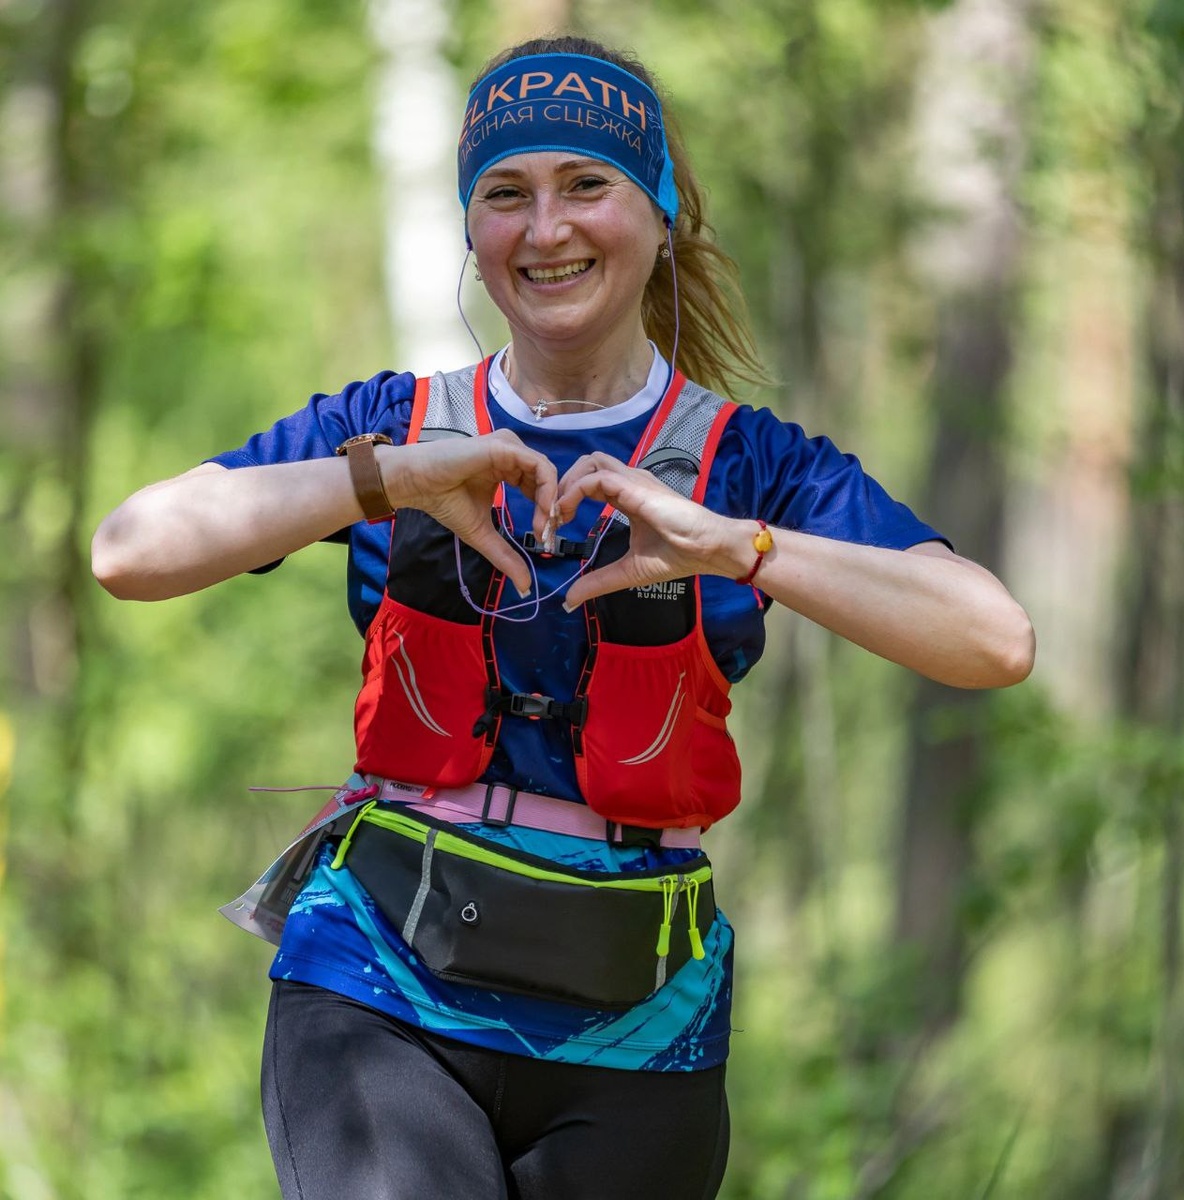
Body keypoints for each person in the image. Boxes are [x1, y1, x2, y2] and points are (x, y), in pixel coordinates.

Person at [91, 34, 1035, 1200]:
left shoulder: (750, 463)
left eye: (587, 185)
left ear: (660, 210)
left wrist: (737, 546)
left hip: (638, 1028)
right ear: (471, 230)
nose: (547, 231)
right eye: (506, 195)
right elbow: (128, 551)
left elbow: (993, 638)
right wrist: (384, 478)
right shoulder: (402, 418)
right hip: (378, 990)